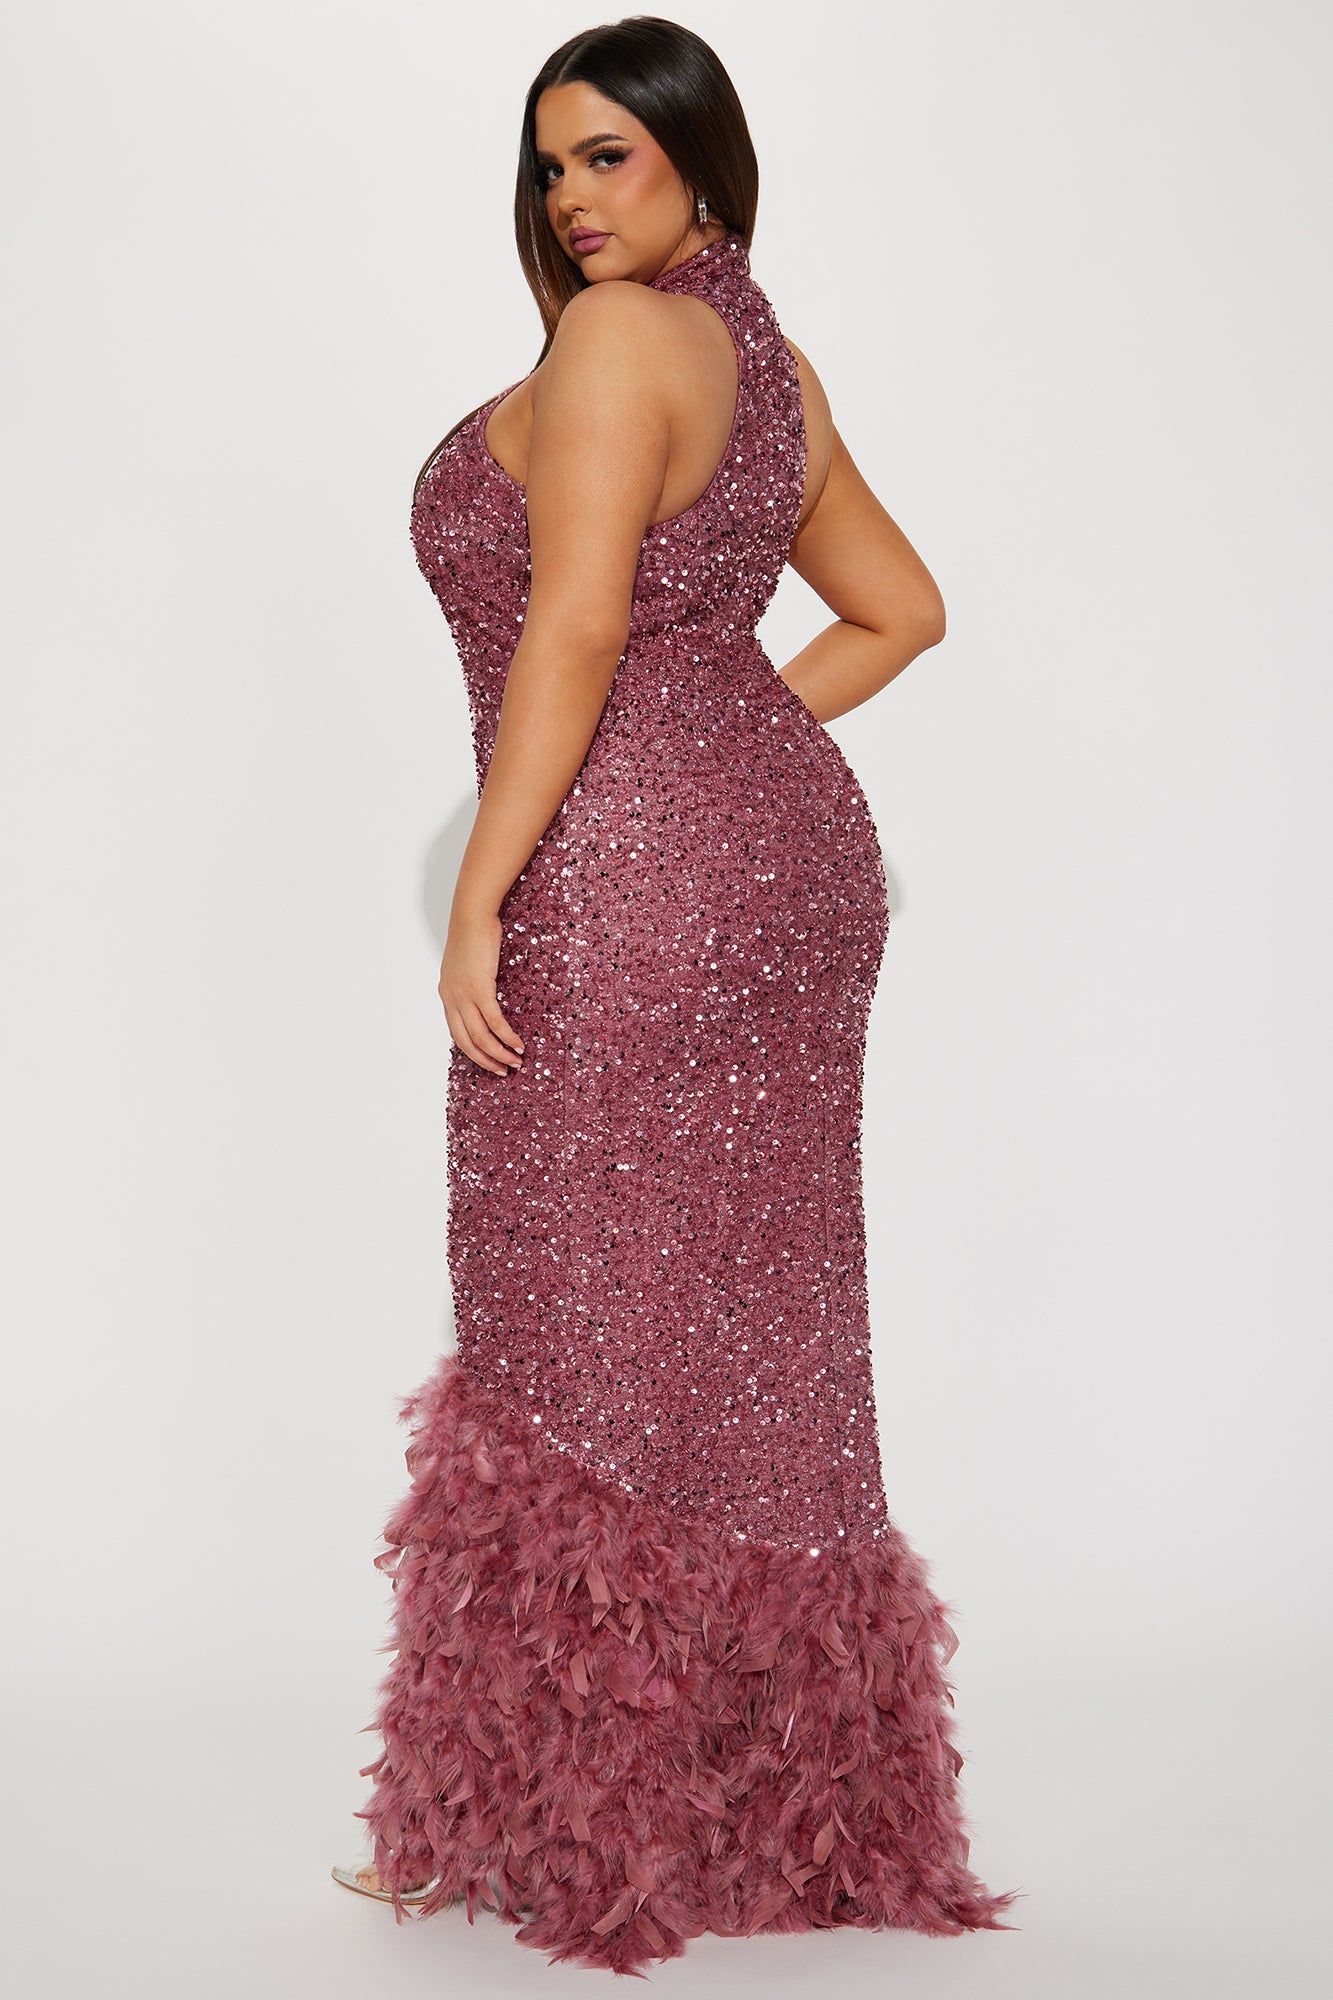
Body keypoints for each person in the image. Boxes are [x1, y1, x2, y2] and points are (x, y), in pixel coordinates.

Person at [332, 14, 1021, 1977]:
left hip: (626, 879)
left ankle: (560, 1817)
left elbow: (572, 627)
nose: (570, 196)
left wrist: (482, 893)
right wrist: (724, 746)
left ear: (702, 164)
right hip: (786, 872)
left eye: (608, 157)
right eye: (548, 163)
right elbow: (901, 611)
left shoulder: (617, 343)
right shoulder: (769, 366)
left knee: (569, 1321)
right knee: (755, 1331)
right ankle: (773, 1812)